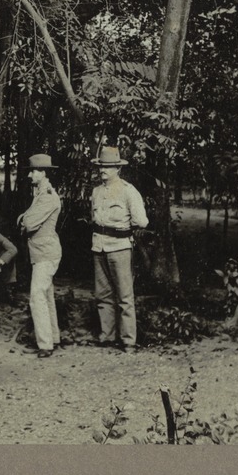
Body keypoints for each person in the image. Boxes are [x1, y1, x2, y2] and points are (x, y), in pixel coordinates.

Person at [89, 146, 148, 353]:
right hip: (99, 246)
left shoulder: (127, 191)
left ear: (118, 169)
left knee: (124, 295)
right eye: (101, 166)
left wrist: (124, 229)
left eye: (108, 167)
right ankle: (107, 337)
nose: (102, 170)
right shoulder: (96, 191)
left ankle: (128, 341)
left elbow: (141, 221)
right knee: (103, 294)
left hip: (120, 247)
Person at [19, 153, 63, 358]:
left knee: (37, 296)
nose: (30, 175)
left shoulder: (47, 196)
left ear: (44, 173)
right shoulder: (39, 193)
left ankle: (45, 345)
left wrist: (24, 219)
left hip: (46, 252)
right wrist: (25, 218)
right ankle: (53, 338)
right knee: (46, 296)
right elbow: (28, 218)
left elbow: (27, 223)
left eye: (34, 171)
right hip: (41, 251)